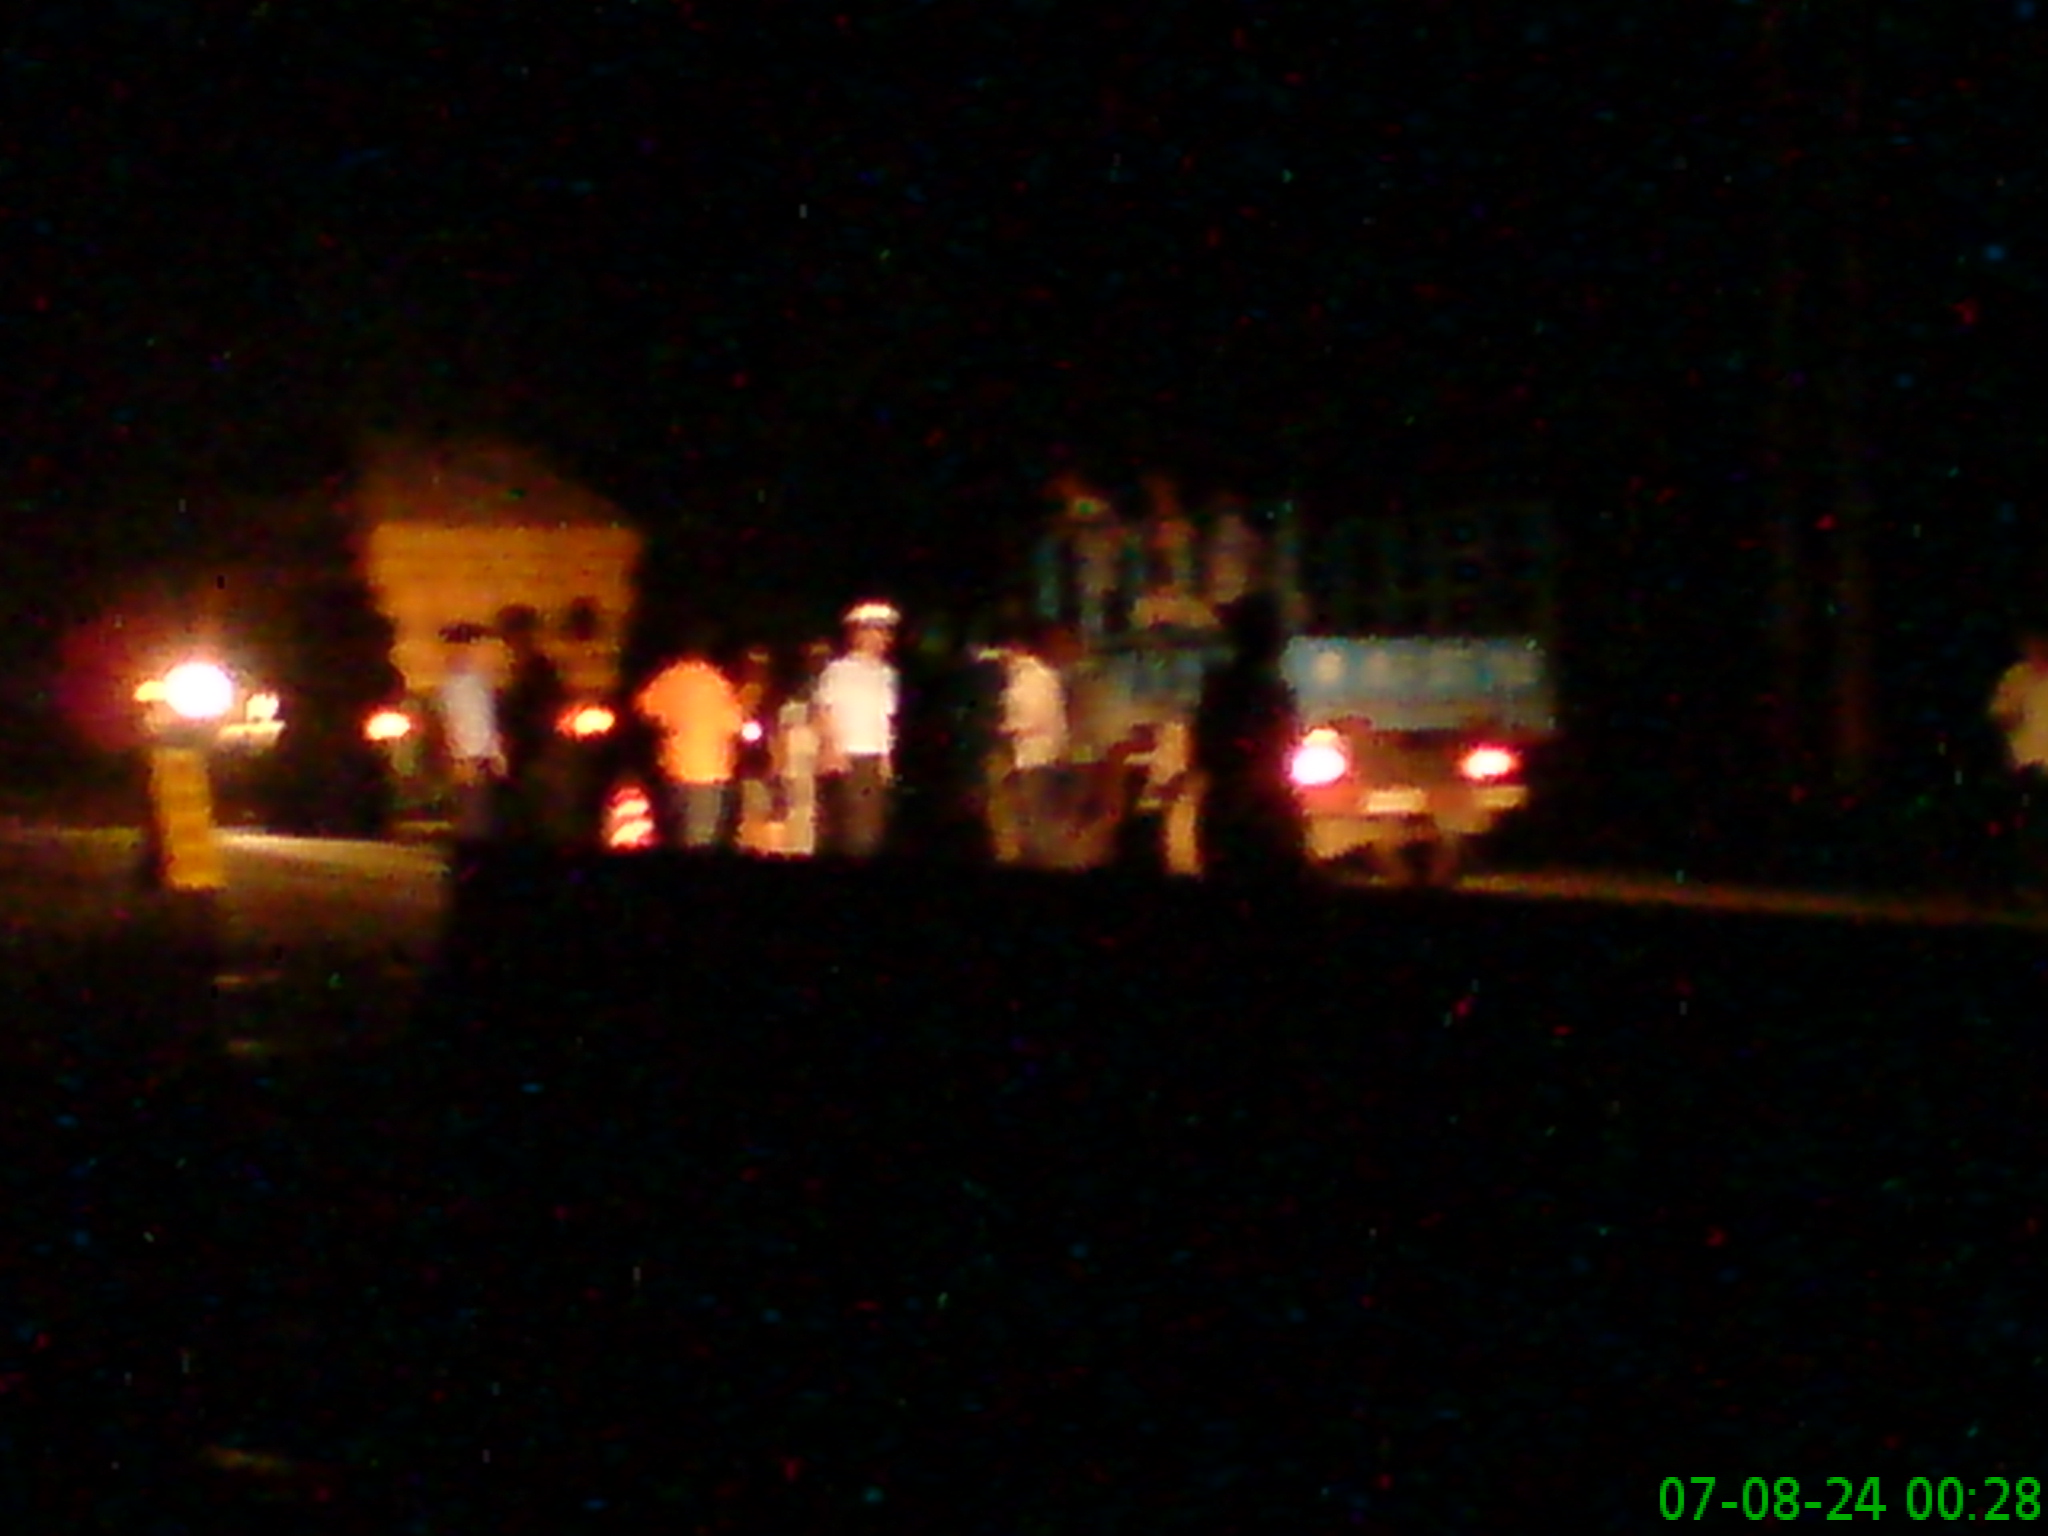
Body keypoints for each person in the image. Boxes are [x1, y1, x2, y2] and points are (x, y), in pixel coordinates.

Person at [1192, 591, 1308, 883]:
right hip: (1253, 813)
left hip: (1234, 810)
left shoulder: (1223, 688)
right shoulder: (1257, 691)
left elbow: (1204, 752)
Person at [634, 622, 745, 850]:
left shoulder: (668, 678)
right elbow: (735, 724)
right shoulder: (718, 683)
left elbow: (644, 709)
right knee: (701, 841)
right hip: (709, 772)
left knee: (673, 838)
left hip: (673, 770)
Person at [815, 600, 901, 859]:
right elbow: (823, 711)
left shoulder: (886, 674)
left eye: (886, 632)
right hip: (848, 755)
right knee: (852, 829)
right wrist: (832, 749)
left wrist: (886, 758)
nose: (883, 639)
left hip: (872, 757)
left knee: (870, 826)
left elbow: (883, 719)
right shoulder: (839, 671)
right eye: (876, 631)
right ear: (858, 635)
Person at [495, 604, 569, 844]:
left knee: (530, 807)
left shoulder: (537, 670)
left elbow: (543, 710)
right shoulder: (522, 668)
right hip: (525, 750)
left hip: (534, 750)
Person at [1003, 619, 1071, 868]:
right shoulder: (1041, 677)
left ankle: (1041, 861)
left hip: (1036, 756)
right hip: (1042, 754)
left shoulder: (1031, 679)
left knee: (1037, 814)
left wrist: (1009, 727)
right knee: (1036, 813)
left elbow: (1035, 718)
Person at [432, 621, 505, 849]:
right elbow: (454, 722)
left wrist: (494, 752)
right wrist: (461, 757)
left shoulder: (476, 683)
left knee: (479, 810)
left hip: (479, 756)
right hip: (469, 756)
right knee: (472, 811)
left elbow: (485, 718)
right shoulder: (452, 686)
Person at [1989, 625, 2048, 903]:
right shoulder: (2019, 677)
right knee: (2030, 825)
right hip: (2027, 761)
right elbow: (2001, 714)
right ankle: (2029, 885)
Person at [775, 640, 834, 856]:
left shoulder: (832, 691)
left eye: (824, 657)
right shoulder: (792, 700)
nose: (819, 663)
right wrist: (779, 764)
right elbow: (782, 734)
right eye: (815, 657)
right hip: (798, 762)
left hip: (821, 761)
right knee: (800, 811)